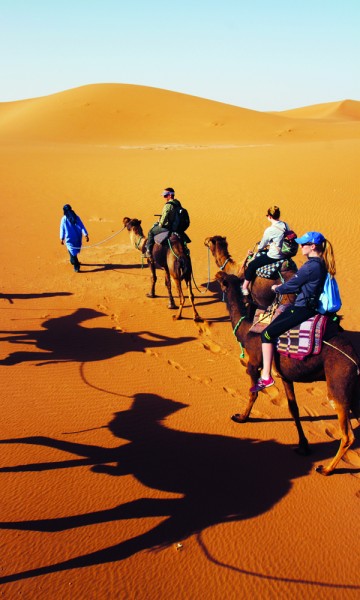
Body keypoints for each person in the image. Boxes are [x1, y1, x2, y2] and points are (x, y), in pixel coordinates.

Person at [250, 231, 335, 392]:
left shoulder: (310, 267)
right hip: (310, 306)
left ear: (313, 246)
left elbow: (292, 285)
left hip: (302, 308)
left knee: (266, 334)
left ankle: (266, 376)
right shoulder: (322, 263)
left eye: (304, 244)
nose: (300, 246)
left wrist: (277, 288)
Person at [242, 206, 290, 295]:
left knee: (252, 265)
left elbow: (262, 246)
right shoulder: (285, 225)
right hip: (286, 254)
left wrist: (259, 247)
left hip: (274, 256)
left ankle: (244, 287)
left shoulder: (270, 230)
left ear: (270, 217)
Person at [145, 187, 182, 259]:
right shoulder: (177, 203)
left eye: (165, 195)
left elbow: (164, 218)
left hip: (168, 227)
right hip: (177, 226)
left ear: (170, 195)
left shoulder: (168, 205)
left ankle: (148, 251)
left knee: (151, 232)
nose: (164, 197)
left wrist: (160, 223)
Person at [60, 204, 89, 272]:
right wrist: (85, 234)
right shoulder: (76, 217)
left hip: (69, 239)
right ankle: (73, 261)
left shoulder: (64, 219)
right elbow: (82, 226)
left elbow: (62, 229)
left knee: (72, 253)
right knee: (72, 252)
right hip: (77, 237)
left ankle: (76, 266)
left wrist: (62, 238)